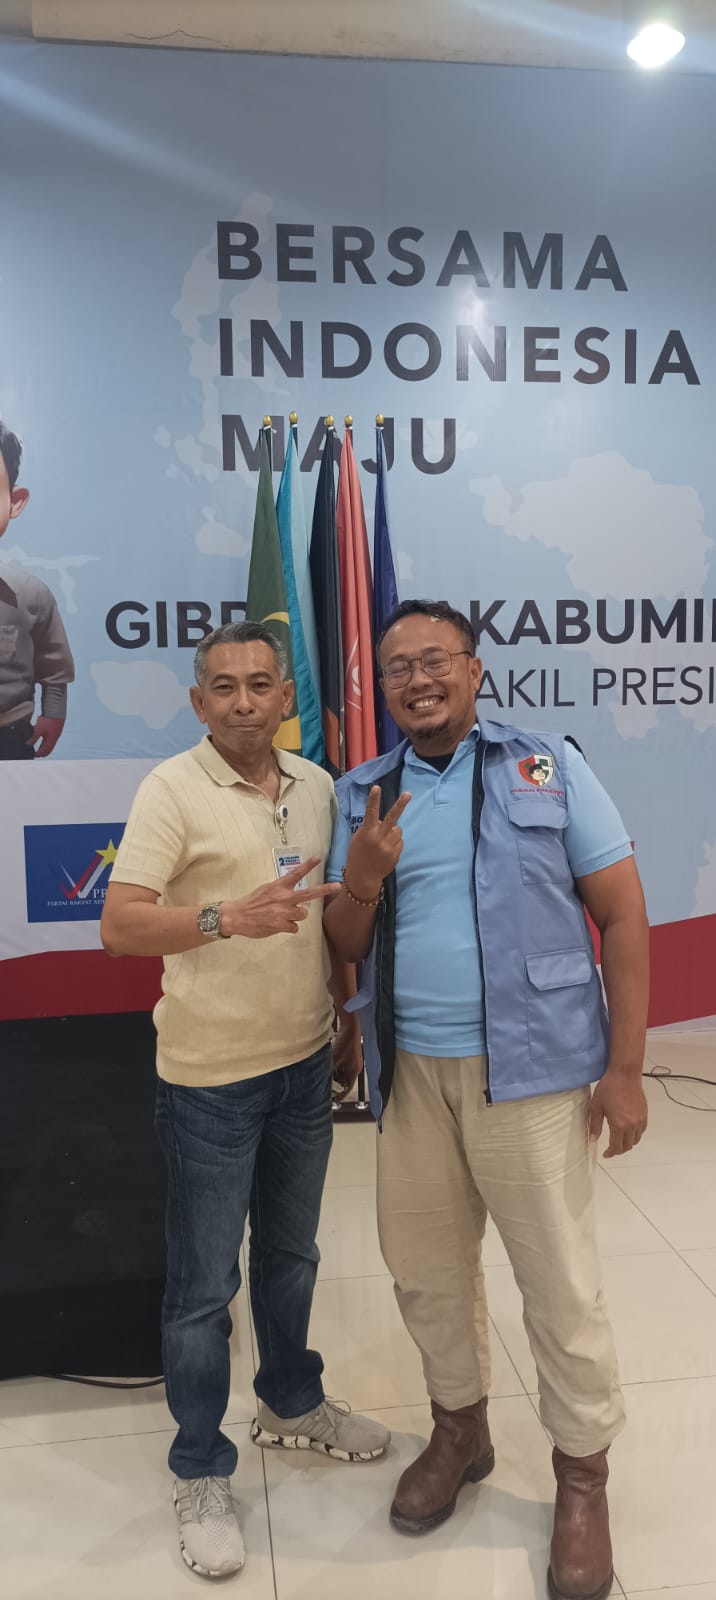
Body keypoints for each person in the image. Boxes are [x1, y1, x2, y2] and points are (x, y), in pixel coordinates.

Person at [323, 599, 649, 1600]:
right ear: (382, 688)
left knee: (558, 1283)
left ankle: (581, 1475)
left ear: (474, 670)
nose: (417, 680)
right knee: (425, 1272)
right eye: (397, 668)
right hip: (412, 1075)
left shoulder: (546, 766)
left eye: (436, 661)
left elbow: (622, 915)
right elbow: (340, 943)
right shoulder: (362, 793)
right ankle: (459, 1428)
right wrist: (362, 880)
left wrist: (624, 1068)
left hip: (536, 1074)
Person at [101, 621, 389, 1582]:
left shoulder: (317, 786)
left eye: (260, 684)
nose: (242, 702)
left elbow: (328, 920)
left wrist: (343, 1018)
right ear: (198, 702)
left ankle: (291, 1402)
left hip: (303, 1065)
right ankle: (199, 1467)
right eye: (222, 686)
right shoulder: (170, 789)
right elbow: (119, 925)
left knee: (293, 1257)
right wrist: (226, 916)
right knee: (201, 1292)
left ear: (284, 696)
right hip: (209, 1080)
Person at [0, 421, 74, 759]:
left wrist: (54, 712)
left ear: (14, 502)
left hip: (9, 737)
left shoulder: (31, 594)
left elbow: (53, 664)